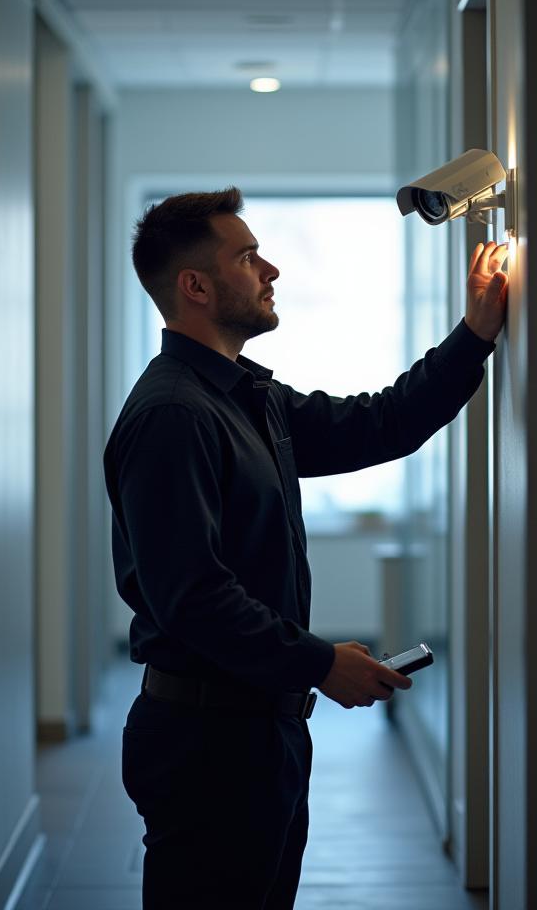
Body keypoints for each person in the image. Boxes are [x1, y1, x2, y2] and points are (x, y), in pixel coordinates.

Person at [103, 187, 509, 909]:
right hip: (206, 742)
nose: (271, 271)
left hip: (262, 731)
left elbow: (380, 423)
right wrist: (321, 662)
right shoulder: (174, 415)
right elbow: (192, 597)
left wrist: (474, 334)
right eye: (247, 256)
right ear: (194, 287)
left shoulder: (246, 398)